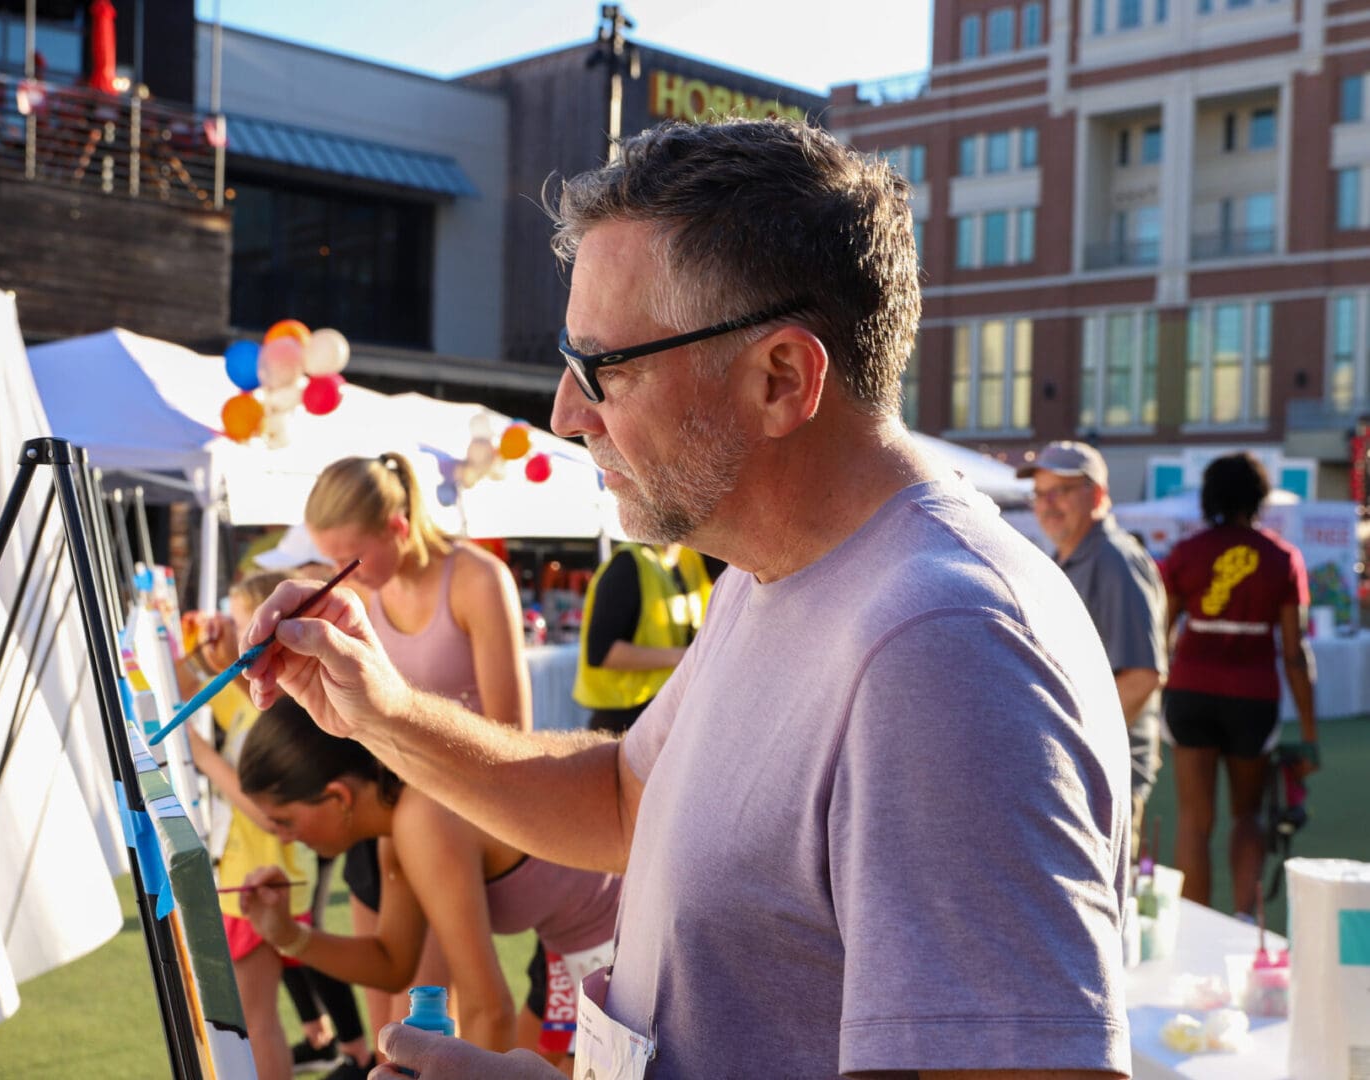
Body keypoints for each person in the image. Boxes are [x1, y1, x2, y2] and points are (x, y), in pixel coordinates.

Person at [244, 118, 1131, 1079]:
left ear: (780, 379)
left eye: (605, 367)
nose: (566, 412)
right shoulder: (778, 570)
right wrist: (381, 714)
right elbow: (627, 800)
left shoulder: (945, 644)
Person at [234, 698, 620, 1060]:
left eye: (285, 821)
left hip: (624, 929)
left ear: (339, 796)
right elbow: (392, 963)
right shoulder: (402, 820)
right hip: (586, 941)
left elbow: (488, 1009)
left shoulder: (423, 818)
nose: (282, 836)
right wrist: (287, 935)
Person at [300, 453, 533, 1043]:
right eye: (327, 557)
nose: (334, 572)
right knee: (387, 1027)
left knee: (421, 1027)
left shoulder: (476, 579)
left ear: (398, 527)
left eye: (344, 557)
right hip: (378, 825)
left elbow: (512, 736)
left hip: (446, 829)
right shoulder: (360, 592)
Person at [179, 572, 371, 1080]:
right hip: (249, 870)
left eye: (245, 625)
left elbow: (269, 810)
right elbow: (186, 684)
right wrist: (187, 637)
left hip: (263, 874)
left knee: (254, 1021)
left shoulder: (279, 709)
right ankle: (344, 1043)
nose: (239, 637)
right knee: (249, 1016)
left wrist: (202, 758)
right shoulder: (252, 698)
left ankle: (347, 1045)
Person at [1160, 451, 1321, 915]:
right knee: (1247, 815)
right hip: (1253, 698)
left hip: (1190, 692)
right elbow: (1294, 652)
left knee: (1194, 818)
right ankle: (1245, 921)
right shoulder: (1282, 558)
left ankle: (1194, 925)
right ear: (1259, 498)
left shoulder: (1186, 553)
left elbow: (1161, 635)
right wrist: (1309, 734)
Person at [1019, 441, 1167, 861]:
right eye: (1040, 493)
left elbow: (1143, 677)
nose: (1047, 505)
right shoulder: (1071, 558)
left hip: (1100, 779)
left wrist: (1073, 749)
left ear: (1097, 495)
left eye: (1061, 491)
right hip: (1078, 776)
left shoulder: (1114, 560)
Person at [573, 542, 714, 734]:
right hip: (626, 719)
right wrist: (686, 656)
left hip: (673, 709)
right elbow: (602, 652)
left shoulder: (691, 560)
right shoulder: (628, 564)